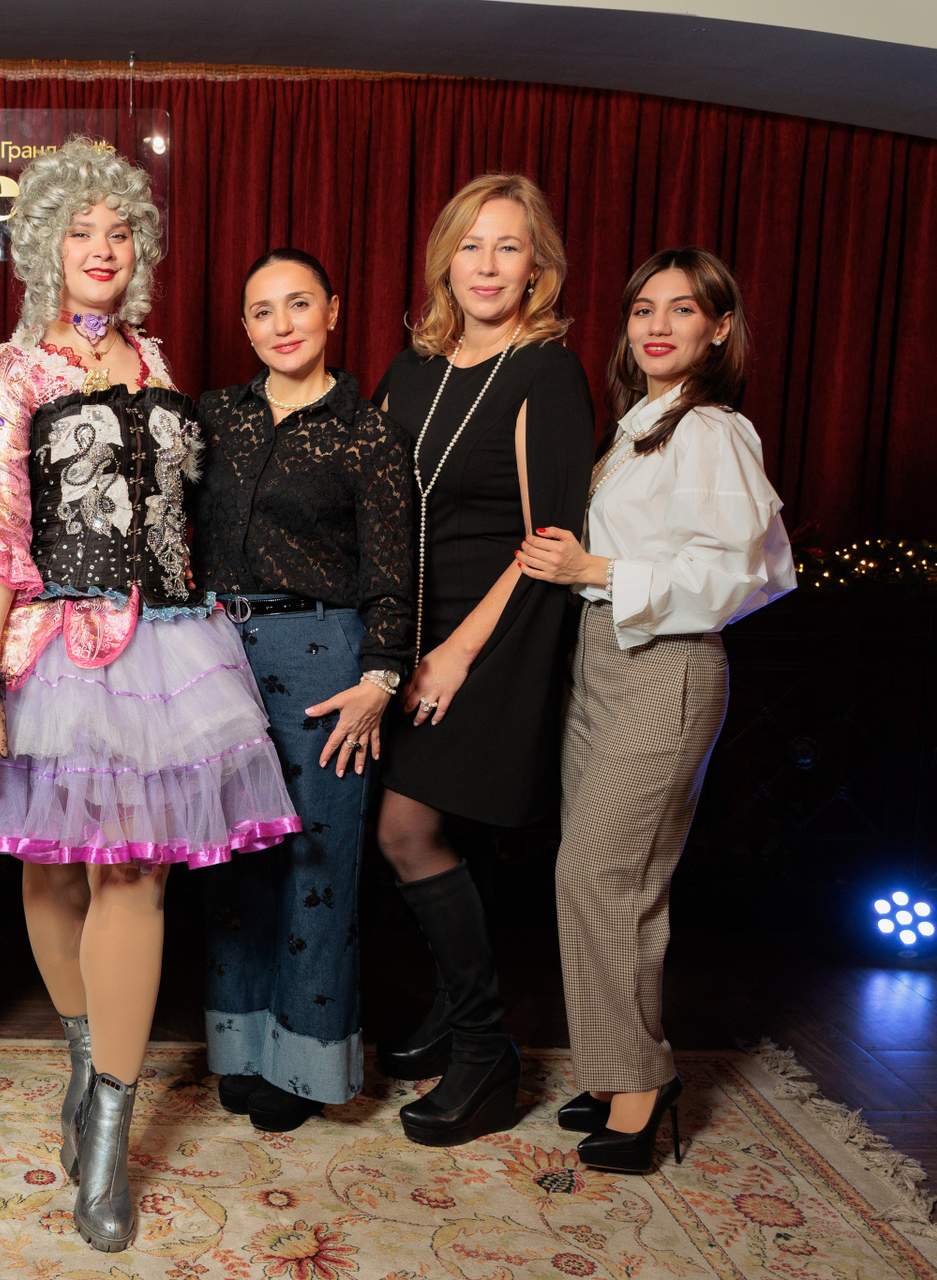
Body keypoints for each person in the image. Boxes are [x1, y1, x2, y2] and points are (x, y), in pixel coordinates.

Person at [0, 137, 299, 1253]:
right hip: (52, 646)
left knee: (133, 872)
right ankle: (87, 1056)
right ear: (44, 247)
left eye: (120, 229)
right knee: (52, 870)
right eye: (79, 230)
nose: (102, 247)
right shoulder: (10, 376)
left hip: (170, 644)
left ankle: (108, 1135)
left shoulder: (158, 360)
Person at [518, 247, 793, 1172]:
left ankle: (640, 1083)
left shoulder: (713, 429)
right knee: (608, 882)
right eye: (643, 309)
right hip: (601, 657)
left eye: (682, 309)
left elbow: (739, 576)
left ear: (720, 328)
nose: (659, 325)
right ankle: (615, 1074)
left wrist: (594, 567)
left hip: (665, 665)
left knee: (601, 873)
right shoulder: (640, 427)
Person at [370, 173, 593, 1147]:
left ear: (537, 266)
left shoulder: (547, 371)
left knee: (407, 830)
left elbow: (552, 538)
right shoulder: (410, 367)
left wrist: (460, 652)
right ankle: (450, 1009)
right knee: (438, 839)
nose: (489, 265)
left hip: (494, 629)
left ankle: (484, 1047)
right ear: (445, 261)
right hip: (408, 628)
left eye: (509, 246)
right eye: (472, 245)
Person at [192, 248, 413, 1132]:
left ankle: (305, 1061)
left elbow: (395, 572)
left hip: (324, 656)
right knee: (233, 855)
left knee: (317, 860)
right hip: (216, 651)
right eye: (262, 310)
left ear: (333, 310)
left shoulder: (368, 432)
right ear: (245, 327)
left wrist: (381, 678)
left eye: (298, 304)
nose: (281, 324)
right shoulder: (214, 417)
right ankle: (241, 1047)